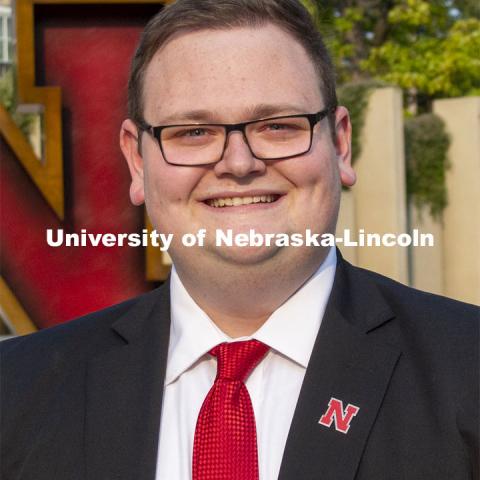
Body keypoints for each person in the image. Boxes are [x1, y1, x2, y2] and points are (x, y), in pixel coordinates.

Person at [1, 1, 478, 479]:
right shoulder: (15, 391)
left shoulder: (467, 368)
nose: (238, 163)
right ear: (138, 161)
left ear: (339, 143)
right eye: (193, 132)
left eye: (277, 126)